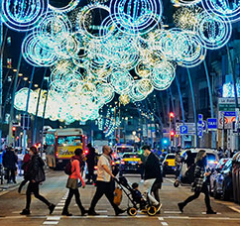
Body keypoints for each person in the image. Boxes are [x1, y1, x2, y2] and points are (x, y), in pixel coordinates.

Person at [88, 145, 125, 216]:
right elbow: (105, 167)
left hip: (106, 180)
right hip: (102, 180)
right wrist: (112, 174)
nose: (110, 150)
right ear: (105, 150)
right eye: (109, 149)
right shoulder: (102, 158)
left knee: (110, 196)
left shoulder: (107, 158)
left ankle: (117, 210)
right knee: (98, 196)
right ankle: (91, 209)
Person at [178, 150, 216, 214]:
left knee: (198, 195)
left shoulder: (202, 163)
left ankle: (182, 204)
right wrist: (204, 174)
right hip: (200, 181)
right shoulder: (199, 163)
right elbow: (196, 173)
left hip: (201, 181)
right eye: (204, 154)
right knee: (202, 195)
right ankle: (209, 209)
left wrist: (207, 173)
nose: (205, 156)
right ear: (201, 155)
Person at [20, 146, 55, 215]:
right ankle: (50, 205)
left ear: (32, 151)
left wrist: (33, 178)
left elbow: (35, 169)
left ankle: (27, 209)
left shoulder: (35, 159)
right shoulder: (35, 158)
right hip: (35, 179)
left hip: (34, 179)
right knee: (36, 194)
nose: (29, 152)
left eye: (30, 151)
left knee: (29, 193)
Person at [62, 148, 86, 216]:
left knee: (74, 196)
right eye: (82, 153)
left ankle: (82, 210)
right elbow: (78, 173)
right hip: (73, 180)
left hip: (72, 179)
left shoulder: (74, 159)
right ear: (80, 154)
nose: (83, 154)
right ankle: (65, 210)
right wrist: (82, 181)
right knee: (73, 196)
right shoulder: (76, 161)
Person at [142, 145, 161, 209]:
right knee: (154, 192)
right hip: (155, 178)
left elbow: (150, 167)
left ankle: (155, 205)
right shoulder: (151, 157)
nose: (143, 152)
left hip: (153, 178)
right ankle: (155, 206)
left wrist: (143, 165)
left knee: (148, 192)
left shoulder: (152, 157)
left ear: (146, 150)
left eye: (144, 150)